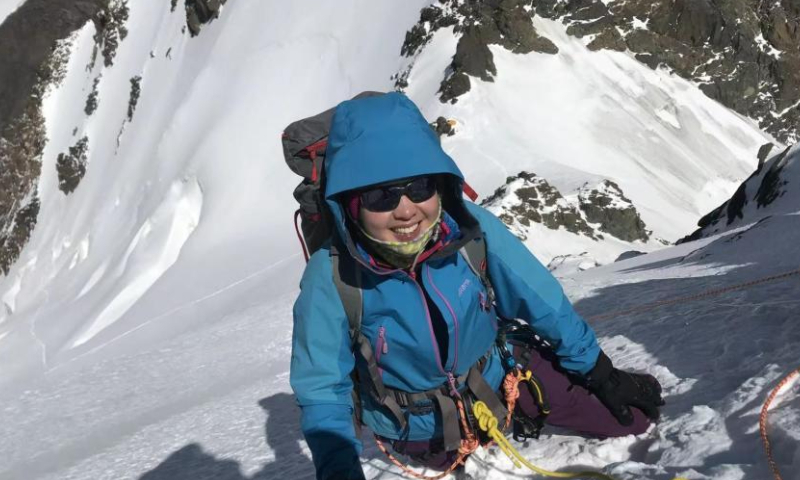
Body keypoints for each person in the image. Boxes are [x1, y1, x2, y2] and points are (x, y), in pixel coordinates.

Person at [289, 92, 664, 480]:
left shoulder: (469, 230)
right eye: (379, 195)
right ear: (350, 203)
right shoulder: (331, 276)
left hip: (503, 378)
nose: (405, 209)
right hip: (418, 424)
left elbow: (542, 302)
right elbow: (323, 388)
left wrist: (599, 372)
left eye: (419, 187)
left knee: (632, 421)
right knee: (444, 465)